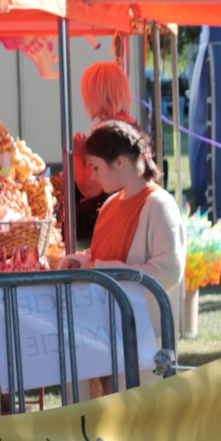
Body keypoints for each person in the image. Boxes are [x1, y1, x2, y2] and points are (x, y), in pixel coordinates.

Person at [61, 120, 185, 386]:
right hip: (107, 336)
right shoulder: (109, 205)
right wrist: (82, 261)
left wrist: (99, 269)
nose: (93, 176)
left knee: (140, 410)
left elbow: (168, 271)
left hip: (143, 342)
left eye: (95, 167)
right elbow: (105, 253)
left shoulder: (159, 205)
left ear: (119, 163)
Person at [72, 61, 137, 243]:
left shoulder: (104, 132)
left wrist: (76, 154)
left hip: (106, 227)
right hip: (130, 220)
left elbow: (89, 188)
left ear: (96, 95)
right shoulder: (130, 126)